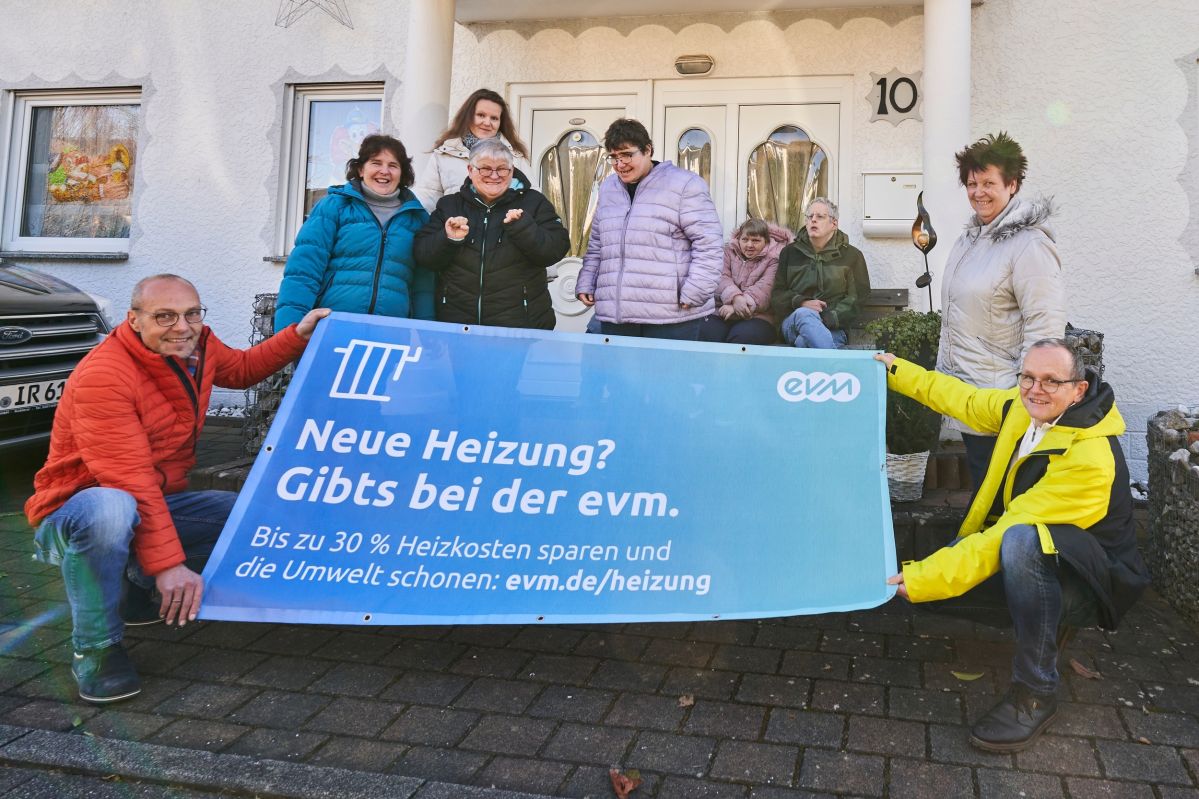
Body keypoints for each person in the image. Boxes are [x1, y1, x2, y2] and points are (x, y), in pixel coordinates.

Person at [25, 275, 329, 704]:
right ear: (134, 320)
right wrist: (168, 567)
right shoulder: (105, 376)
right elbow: (129, 481)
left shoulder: (198, 346)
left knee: (249, 513)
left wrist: (297, 336)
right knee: (114, 511)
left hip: (153, 497)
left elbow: (241, 370)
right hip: (78, 508)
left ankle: (132, 587)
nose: (182, 326)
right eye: (164, 316)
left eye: (191, 314)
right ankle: (95, 649)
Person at [876, 339, 1148, 752]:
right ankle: (1040, 620)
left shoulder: (1090, 459)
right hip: (1050, 559)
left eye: (1051, 381)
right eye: (1028, 377)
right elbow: (963, 398)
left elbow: (1008, 535)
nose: (1035, 389)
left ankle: (1035, 692)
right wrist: (895, 370)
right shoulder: (1025, 408)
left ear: (1078, 389)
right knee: (929, 596)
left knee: (1019, 543)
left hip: (1096, 582)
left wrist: (925, 576)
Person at [938, 132, 1066, 487]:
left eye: (989, 182)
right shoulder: (970, 239)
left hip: (1003, 396)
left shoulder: (1029, 245)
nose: (978, 191)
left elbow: (1046, 324)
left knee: (1004, 492)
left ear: (1012, 184)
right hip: (969, 392)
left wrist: (1031, 393)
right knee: (985, 488)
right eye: (971, 182)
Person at [575, 118, 723, 341]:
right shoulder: (608, 188)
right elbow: (598, 243)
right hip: (618, 315)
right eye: (613, 157)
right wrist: (587, 280)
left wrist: (696, 292)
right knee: (617, 377)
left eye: (626, 154)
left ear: (647, 150)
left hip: (671, 315)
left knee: (667, 377)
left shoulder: (685, 185)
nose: (619, 163)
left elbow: (708, 245)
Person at [274, 133, 433, 331]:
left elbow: (424, 286)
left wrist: (426, 334)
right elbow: (303, 271)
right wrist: (288, 333)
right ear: (360, 169)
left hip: (390, 332)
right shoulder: (333, 207)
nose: (384, 171)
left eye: (393, 165)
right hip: (331, 326)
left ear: (402, 173)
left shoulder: (417, 218)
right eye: (376, 163)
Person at [413, 140, 570, 329]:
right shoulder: (450, 205)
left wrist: (523, 228)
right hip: (457, 325)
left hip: (521, 325)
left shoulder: (534, 203)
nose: (494, 176)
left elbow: (555, 249)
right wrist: (449, 238)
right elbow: (424, 256)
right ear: (470, 170)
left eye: (502, 169)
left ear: (511, 171)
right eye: (485, 169)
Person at [771, 197, 870, 349]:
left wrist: (830, 317)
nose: (813, 220)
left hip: (833, 327)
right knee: (804, 314)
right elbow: (777, 294)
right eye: (810, 217)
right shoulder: (790, 253)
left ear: (834, 223)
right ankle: (834, 366)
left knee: (803, 343)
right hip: (793, 323)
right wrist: (801, 302)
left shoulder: (852, 256)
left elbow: (857, 297)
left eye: (820, 217)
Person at [413, 89, 532, 213]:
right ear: (468, 117)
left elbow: (533, 202)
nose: (487, 122)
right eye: (481, 115)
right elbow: (427, 202)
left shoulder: (516, 158)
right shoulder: (443, 156)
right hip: (455, 230)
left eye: (494, 118)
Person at [699, 218, 793, 345]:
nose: (749, 245)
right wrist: (735, 297)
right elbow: (720, 278)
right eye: (745, 240)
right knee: (706, 334)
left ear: (766, 241)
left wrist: (736, 307)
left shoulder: (774, 259)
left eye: (756, 240)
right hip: (722, 311)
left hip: (759, 316)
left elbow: (765, 290)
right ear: (739, 239)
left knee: (742, 338)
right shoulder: (727, 253)